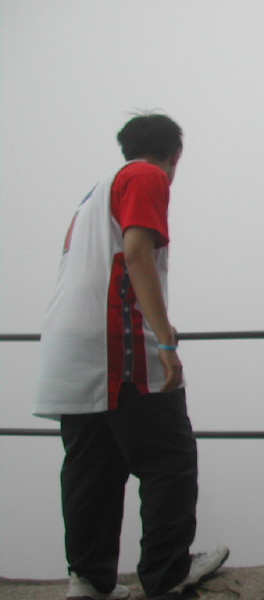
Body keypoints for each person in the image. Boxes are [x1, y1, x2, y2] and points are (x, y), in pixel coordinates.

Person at [34, 114, 229, 600]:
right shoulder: (146, 176)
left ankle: (89, 580)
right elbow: (137, 252)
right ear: (176, 155)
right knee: (170, 458)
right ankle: (168, 573)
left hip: (70, 345)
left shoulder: (94, 194)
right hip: (116, 343)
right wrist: (165, 340)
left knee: (92, 466)